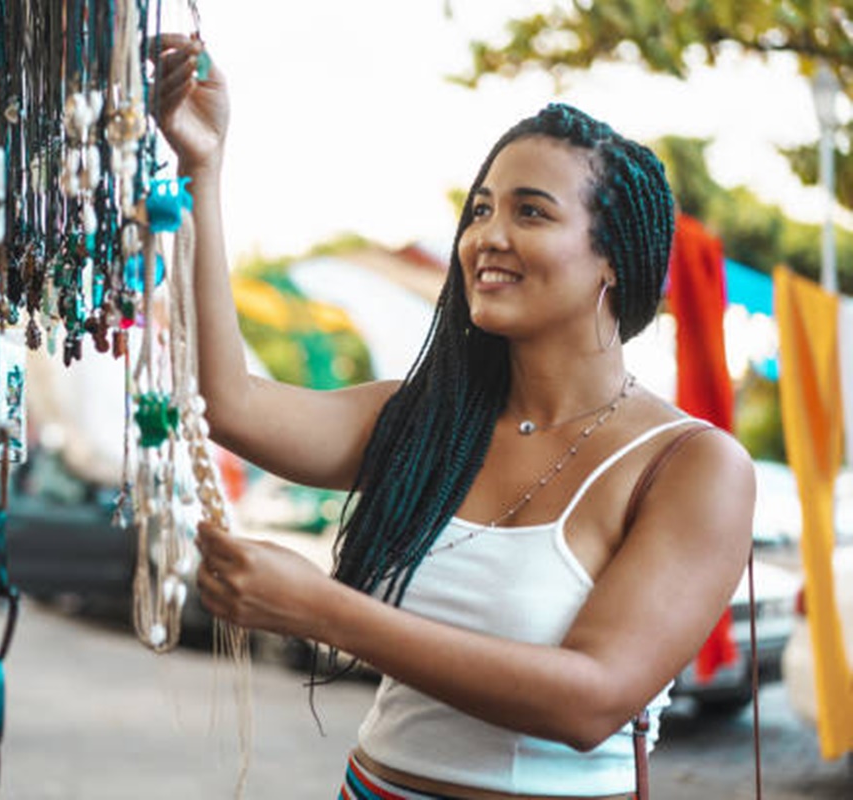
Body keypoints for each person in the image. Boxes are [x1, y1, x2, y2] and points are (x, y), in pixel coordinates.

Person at [155, 35, 755, 800]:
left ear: (614, 262)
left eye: (530, 213)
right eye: (480, 210)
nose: (486, 237)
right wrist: (202, 170)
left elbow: (590, 700)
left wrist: (322, 610)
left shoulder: (691, 466)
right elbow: (228, 402)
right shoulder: (425, 422)